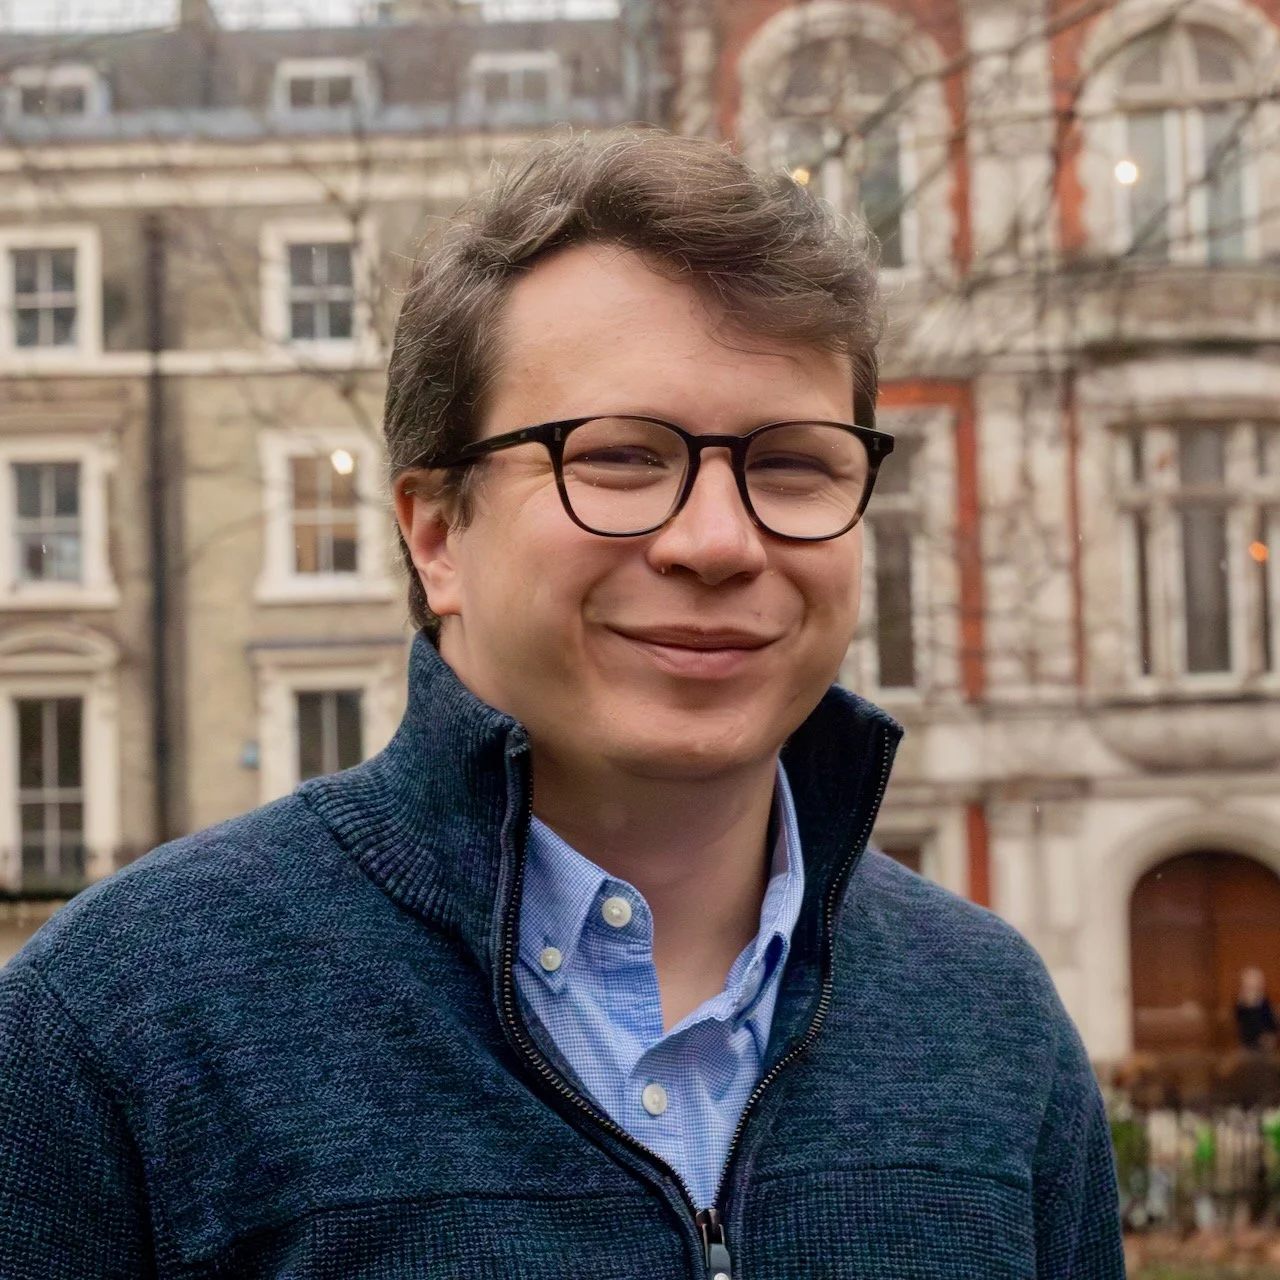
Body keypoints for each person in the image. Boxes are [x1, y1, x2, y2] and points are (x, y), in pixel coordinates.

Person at [0, 130, 1124, 1278]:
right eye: (622, 457)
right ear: (436, 532)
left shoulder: (990, 1017)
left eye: (791, 463)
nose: (718, 540)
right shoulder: (115, 1027)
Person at [1236, 966, 1279, 1051]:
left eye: (1257, 980)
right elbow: (1242, 1023)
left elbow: (1271, 1022)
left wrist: (1272, 1036)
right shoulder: (1241, 1004)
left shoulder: (1265, 1001)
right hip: (1248, 1045)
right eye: (1250, 980)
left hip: (1267, 1043)